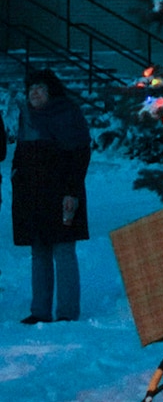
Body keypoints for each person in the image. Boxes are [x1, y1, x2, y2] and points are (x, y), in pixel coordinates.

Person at [12, 70, 91, 324]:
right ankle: (40, 310)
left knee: (63, 250)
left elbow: (78, 155)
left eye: (40, 88)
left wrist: (71, 191)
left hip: (62, 193)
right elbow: (21, 153)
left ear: (51, 91)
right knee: (39, 251)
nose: (34, 93)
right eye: (31, 89)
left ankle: (67, 311)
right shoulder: (28, 118)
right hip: (33, 196)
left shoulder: (66, 115)